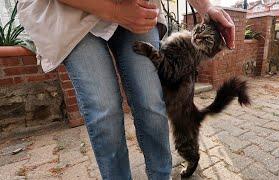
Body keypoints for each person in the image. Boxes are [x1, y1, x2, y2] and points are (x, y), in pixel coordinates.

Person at [18, 0, 235, 179]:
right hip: (69, 14)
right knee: (104, 113)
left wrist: (206, 7)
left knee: (151, 103)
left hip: (138, 10)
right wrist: (114, 11)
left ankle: (161, 175)